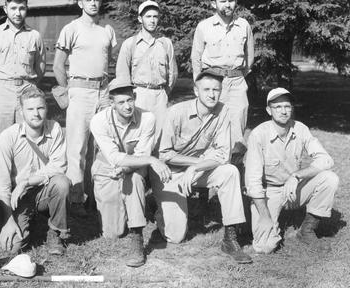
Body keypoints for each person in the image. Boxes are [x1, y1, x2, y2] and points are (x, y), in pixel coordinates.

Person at [153, 68, 252, 264]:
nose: (212, 94)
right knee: (175, 236)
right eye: (206, 89)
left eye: (216, 89)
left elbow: (223, 155)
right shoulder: (176, 112)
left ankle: (230, 238)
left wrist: (196, 168)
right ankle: (160, 209)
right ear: (196, 91)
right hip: (169, 172)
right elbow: (164, 154)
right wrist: (195, 164)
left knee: (230, 171)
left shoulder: (223, 111)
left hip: (197, 171)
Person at [245, 88, 339, 253]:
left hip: (294, 188)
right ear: (269, 110)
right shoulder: (258, 135)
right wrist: (265, 217)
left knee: (329, 178)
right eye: (278, 107)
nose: (283, 111)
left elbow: (326, 160)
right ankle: (261, 221)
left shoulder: (300, 128)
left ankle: (307, 230)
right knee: (264, 247)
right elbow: (252, 181)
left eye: (287, 106)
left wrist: (296, 175)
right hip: (269, 192)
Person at [90, 79, 171, 267]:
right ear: (112, 104)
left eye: (130, 100)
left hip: (133, 167)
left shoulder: (148, 118)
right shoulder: (99, 121)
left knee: (134, 179)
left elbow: (142, 153)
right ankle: (127, 205)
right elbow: (113, 157)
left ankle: (136, 236)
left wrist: (129, 167)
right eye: (121, 102)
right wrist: (151, 160)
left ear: (135, 98)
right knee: (113, 233)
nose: (127, 106)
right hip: (106, 168)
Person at [53, 0, 117, 215]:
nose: (92, 3)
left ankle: (98, 195)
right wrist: (68, 91)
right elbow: (58, 66)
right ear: (80, 3)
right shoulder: (71, 29)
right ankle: (76, 198)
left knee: (101, 145)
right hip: (79, 90)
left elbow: (108, 63)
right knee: (77, 147)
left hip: (102, 91)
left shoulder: (106, 30)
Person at [0, 87, 71, 255]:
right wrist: (8, 220)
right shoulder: (8, 136)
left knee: (62, 183)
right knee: (14, 247)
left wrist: (26, 181)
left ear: (46, 108)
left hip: (43, 190)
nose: (36, 114)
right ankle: (30, 221)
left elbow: (59, 166)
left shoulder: (55, 128)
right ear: (21, 112)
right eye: (30, 109)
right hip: (18, 198)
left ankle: (55, 232)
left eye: (40, 108)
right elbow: (1, 183)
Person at [0, 0, 46, 175]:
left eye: (22, 8)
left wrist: (28, 84)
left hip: (27, 90)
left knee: (28, 136)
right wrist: (3, 81)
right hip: (2, 89)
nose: (18, 13)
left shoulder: (34, 36)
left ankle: (26, 182)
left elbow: (40, 67)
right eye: (13, 8)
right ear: (5, 9)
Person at [191, 0, 254, 158]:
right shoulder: (204, 26)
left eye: (231, 0)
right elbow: (196, 57)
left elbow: (249, 58)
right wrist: (199, 84)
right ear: (214, 4)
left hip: (237, 83)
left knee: (238, 129)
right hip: (212, 82)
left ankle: (235, 168)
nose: (227, 5)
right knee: (211, 125)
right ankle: (209, 171)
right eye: (223, 1)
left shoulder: (243, 25)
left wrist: (238, 76)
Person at [116, 0, 177, 146]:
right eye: (148, 16)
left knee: (160, 138)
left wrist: (164, 93)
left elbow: (173, 74)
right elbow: (122, 75)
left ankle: (156, 168)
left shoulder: (165, 43)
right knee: (138, 138)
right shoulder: (130, 44)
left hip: (160, 95)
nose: (152, 20)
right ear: (140, 19)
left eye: (155, 16)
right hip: (138, 95)